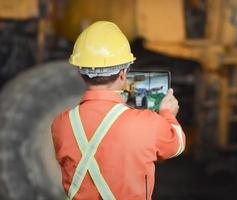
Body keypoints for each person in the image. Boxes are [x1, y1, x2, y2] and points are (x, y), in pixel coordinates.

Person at [51, 21, 186, 200]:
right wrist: (168, 114)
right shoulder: (147, 124)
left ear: (81, 72)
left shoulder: (61, 124)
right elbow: (177, 145)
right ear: (123, 73)